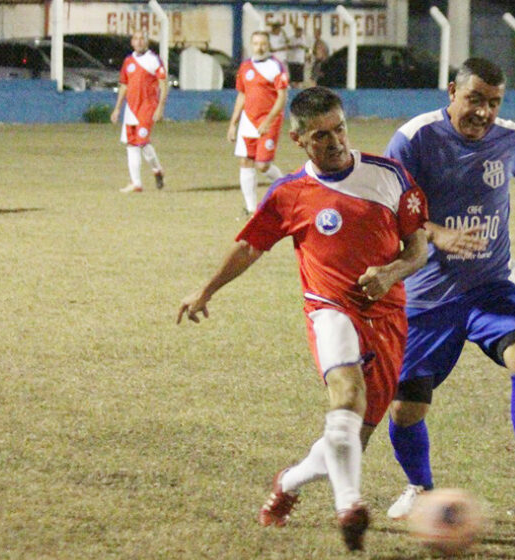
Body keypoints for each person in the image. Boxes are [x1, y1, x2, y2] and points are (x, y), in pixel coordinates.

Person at [177, 86, 430, 552]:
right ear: (298, 139)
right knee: (347, 395)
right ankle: (349, 507)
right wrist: (206, 289)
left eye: (339, 130)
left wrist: (391, 271)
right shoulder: (290, 193)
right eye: (321, 136)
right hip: (329, 309)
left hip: (388, 318)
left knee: (353, 434)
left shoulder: (390, 176)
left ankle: (288, 482)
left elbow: (418, 248)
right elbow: (250, 245)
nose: (335, 142)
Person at [381, 57, 515, 534]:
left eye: (493, 103)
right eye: (475, 99)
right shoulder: (414, 139)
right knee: (406, 407)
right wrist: (435, 233)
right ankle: (420, 488)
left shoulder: (508, 136)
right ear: (452, 91)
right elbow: (388, 208)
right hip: (427, 295)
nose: (483, 112)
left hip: (490, 285)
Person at [228, 31, 289, 215]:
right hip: (248, 121)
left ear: (268, 45)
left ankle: (286, 187)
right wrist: (233, 123)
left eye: (263, 43)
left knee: (262, 165)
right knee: (246, 161)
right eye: (256, 43)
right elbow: (242, 94)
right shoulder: (245, 67)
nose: (259, 47)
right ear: (251, 45)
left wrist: (268, 121)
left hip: (269, 121)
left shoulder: (277, 66)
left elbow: (282, 97)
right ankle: (251, 208)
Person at [110, 30, 169, 194]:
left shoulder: (153, 60)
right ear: (132, 42)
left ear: (147, 42)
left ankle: (156, 169)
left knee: (142, 142)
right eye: (136, 39)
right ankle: (137, 183)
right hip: (131, 109)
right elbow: (124, 85)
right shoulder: (128, 61)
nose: (139, 41)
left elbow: (163, 84)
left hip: (147, 107)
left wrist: (160, 107)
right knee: (132, 145)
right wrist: (117, 109)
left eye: (142, 38)